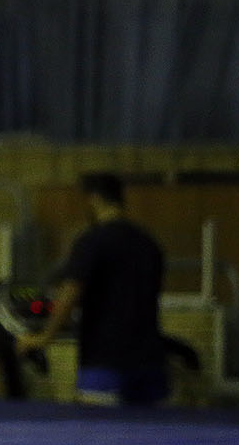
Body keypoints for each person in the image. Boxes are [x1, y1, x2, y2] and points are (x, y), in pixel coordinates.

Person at [17, 172, 169, 406]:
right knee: (151, 429)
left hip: (104, 359)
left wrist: (44, 337)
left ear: (94, 199)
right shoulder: (148, 243)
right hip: (150, 362)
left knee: (97, 428)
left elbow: (70, 294)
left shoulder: (92, 241)